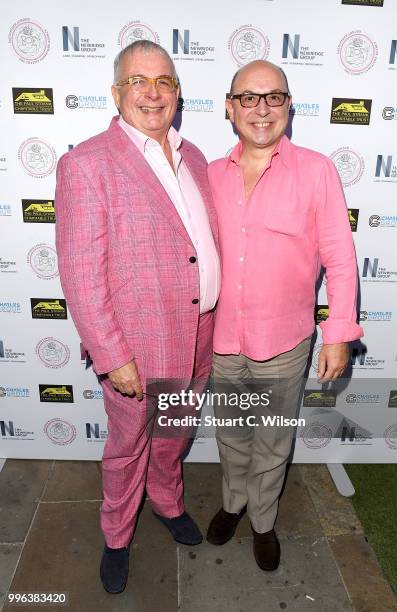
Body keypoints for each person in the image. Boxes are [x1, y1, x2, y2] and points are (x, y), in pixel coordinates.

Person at [55, 40, 220, 594]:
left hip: (200, 331)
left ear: (177, 92)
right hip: (136, 345)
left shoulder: (194, 156)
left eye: (164, 81)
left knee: (173, 434)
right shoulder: (87, 164)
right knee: (128, 447)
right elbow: (80, 273)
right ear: (116, 92)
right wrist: (112, 354)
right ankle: (117, 535)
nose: (152, 93)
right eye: (138, 81)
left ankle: (167, 503)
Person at [206, 60, 363, 571]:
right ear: (230, 108)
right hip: (222, 340)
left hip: (286, 342)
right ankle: (233, 504)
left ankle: (263, 521)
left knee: (273, 439)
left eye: (274, 97)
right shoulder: (207, 176)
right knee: (231, 434)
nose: (261, 109)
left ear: (289, 106)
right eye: (248, 98)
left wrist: (339, 332)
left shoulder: (317, 170)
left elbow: (340, 258)